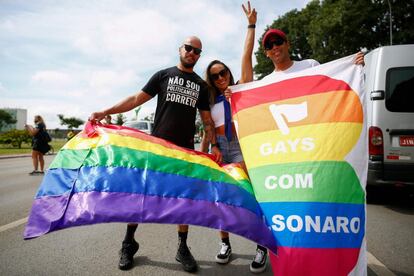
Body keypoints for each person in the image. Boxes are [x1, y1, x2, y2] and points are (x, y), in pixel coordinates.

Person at [89, 35, 220, 273]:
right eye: (189, 48)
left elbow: (207, 120)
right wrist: (105, 111)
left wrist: (215, 146)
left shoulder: (201, 85)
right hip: (156, 149)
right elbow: (136, 99)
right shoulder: (163, 75)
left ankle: (182, 247)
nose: (192, 53)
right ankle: (129, 243)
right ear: (180, 49)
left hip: (183, 152)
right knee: (140, 196)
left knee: (184, 200)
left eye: (197, 51)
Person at [200, 2, 267, 273]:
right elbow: (207, 127)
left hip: (242, 147)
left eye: (223, 73)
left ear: (228, 72)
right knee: (222, 198)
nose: (220, 78)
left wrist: (250, 25)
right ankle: (225, 244)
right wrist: (206, 151)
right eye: (215, 76)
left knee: (252, 196)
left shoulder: (241, 88)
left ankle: (261, 246)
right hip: (219, 147)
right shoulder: (210, 99)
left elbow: (246, 55)